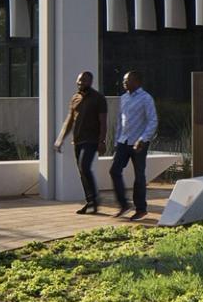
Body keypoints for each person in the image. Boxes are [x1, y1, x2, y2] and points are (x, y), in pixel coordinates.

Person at [52, 69, 107, 214]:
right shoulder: (75, 98)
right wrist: (60, 139)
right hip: (77, 140)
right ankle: (91, 202)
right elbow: (69, 120)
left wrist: (102, 141)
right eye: (79, 80)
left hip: (92, 140)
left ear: (90, 82)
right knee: (82, 171)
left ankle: (94, 200)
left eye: (84, 80)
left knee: (84, 167)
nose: (80, 82)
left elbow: (103, 121)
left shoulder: (99, 98)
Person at [109, 69, 158, 220]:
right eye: (124, 80)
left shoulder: (146, 98)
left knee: (139, 175)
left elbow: (153, 121)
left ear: (136, 82)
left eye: (127, 80)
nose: (124, 82)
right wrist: (117, 141)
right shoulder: (123, 98)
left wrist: (143, 139)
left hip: (139, 143)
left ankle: (141, 209)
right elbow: (120, 121)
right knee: (114, 171)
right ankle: (124, 204)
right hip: (124, 141)